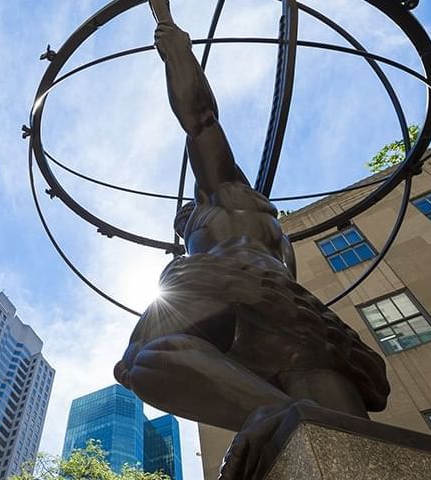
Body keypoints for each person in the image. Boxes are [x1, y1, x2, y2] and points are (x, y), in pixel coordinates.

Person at [113, 1, 390, 476]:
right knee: (346, 441)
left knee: (138, 361)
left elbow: (200, 119)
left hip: (230, 286)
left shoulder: (221, 194)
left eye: (185, 220)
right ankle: (285, 414)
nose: (184, 223)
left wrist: (173, 41)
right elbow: (285, 294)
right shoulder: (273, 233)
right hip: (295, 314)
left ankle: (272, 411)